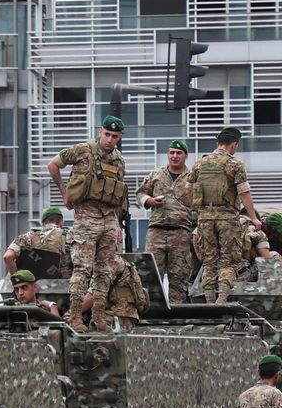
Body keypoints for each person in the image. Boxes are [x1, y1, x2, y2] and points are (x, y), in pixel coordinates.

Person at [48, 115, 127, 332]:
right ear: (100, 131)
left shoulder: (119, 160)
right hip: (86, 216)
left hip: (109, 218)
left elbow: (119, 194)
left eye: (115, 136)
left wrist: (118, 224)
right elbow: (53, 165)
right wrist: (65, 195)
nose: (110, 140)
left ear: (119, 138)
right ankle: (74, 316)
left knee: (104, 270)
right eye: (107, 134)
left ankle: (98, 316)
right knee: (82, 269)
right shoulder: (82, 150)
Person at [185, 127, 263, 304]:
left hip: (205, 219)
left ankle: (210, 301)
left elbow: (187, 190)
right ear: (234, 144)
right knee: (227, 262)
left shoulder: (199, 163)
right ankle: (221, 300)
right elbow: (244, 193)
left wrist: (201, 212)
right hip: (227, 219)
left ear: (217, 143)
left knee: (209, 261)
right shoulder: (235, 164)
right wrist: (253, 217)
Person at [136, 139, 195, 305]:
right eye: (171, 153)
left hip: (181, 233)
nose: (174, 156)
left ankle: (177, 318)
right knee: (150, 277)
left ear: (185, 156)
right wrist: (149, 201)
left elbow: (199, 203)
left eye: (178, 153)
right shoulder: (156, 175)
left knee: (179, 278)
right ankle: (151, 315)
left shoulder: (192, 178)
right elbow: (140, 194)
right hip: (156, 232)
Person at [3, 207, 72, 280]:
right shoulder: (71, 236)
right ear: (62, 222)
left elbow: (7, 257)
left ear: (43, 224)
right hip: (63, 287)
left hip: (33, 287)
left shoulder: (26, 237)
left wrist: (19, 281)